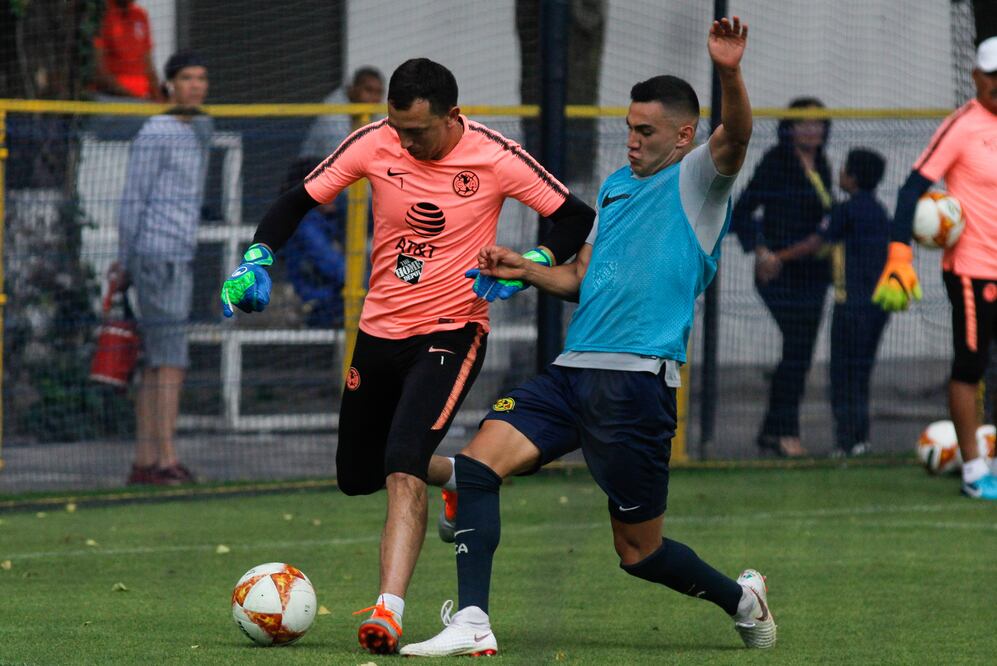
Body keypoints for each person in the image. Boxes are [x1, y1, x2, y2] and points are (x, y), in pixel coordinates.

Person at [401, 17, 775, 658]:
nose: (631, 140)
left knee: (639, 553)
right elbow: (582, 277)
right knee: (477, 468)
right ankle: (473, 622)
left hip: (636, 385)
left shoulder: (698, 181)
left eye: (646, 131)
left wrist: (729, 70)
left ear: (684, 135)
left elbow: (737, 133)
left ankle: (742, 600)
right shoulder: (616, 187)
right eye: (628, 127)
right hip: (571, 372)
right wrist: (523, 269)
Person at [218, 58, 595, 654]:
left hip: (453, 331)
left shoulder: (495, 155)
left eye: (417, 131)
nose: (406, 142)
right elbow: (297, 200)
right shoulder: (375, 141)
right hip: (378, 332)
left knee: (400, 463)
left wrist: (535, 263)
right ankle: (458, 476)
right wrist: (257, 257)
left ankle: (387, 612)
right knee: (356, 476)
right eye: (398, 129)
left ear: (452, 115)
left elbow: (574, 217)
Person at [873, 36, 997, 500]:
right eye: (993, 75)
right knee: (970, 366)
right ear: (977, 77)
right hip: (972, 270)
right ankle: (974, 472)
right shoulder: (963, 125)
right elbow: (911, 189)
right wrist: (899, 255)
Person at [114, 51, 212, 486]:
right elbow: (133, 199)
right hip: (158, 255)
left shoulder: (198, 131)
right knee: (170, 360)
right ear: (169, 84)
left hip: (178, 253)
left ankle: (146, 461)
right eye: (187, 78)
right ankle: (166, 459)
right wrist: (125, 260)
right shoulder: (156, 131)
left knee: (158, 362)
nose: (195, 85)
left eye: (201, 78)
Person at [731, 96, 834, 458]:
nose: (812, 130)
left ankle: (772, 431)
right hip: (777, 272)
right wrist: (761, 250)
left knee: (799, 354)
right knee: (797, 350)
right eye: (803, 123)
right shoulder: (777, 161)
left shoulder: (822, 164)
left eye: (818, 123)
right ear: (789, 128)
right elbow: (742, 211)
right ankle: (786, 431)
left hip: (814, 273)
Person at [822, 148, 890, 457]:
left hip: (850, 305)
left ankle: (845, 440)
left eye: (844, 169)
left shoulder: (845, 211)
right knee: (861, 373)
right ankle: (861, 439)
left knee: (842, 374)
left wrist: (783, 255)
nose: (840, 174)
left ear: (852, 177)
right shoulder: (880, 212)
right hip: (877, 306)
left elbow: (821, 243)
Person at [279, 158, 347, 328]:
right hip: (318, 308)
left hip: (333, 303)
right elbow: (338, 270)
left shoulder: (330, 217)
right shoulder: (304, 224)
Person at [299, 67, 385, 158]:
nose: (374, 97)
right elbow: (339, 154)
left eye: (379, 92)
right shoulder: (334, 109)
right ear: (353, 89)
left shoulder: (371, 109)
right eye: (369, 90)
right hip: (313, 162)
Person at [92, 0, 162, 101]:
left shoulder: (140, 14)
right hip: (112, 97)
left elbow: (148, 63)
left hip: (142, 98)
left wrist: (158, 98)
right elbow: (99, 72)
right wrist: (134, 98)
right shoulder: (100, 14)